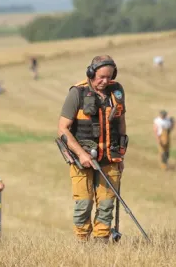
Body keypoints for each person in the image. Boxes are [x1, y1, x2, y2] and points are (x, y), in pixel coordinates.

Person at [57, 55, 128, 243]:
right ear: (91, 73)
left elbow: (120, 123)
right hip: (82, 159)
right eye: (101, 77)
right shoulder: (77, 93)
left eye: (109, 77)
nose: (105, 81)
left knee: (106, 205)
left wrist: (121, 155)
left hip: (110, 157)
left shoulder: (116, 92)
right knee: (84, 203)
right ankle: (82, 244)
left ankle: (101, 246)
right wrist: (81, 154)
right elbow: (62, 128)